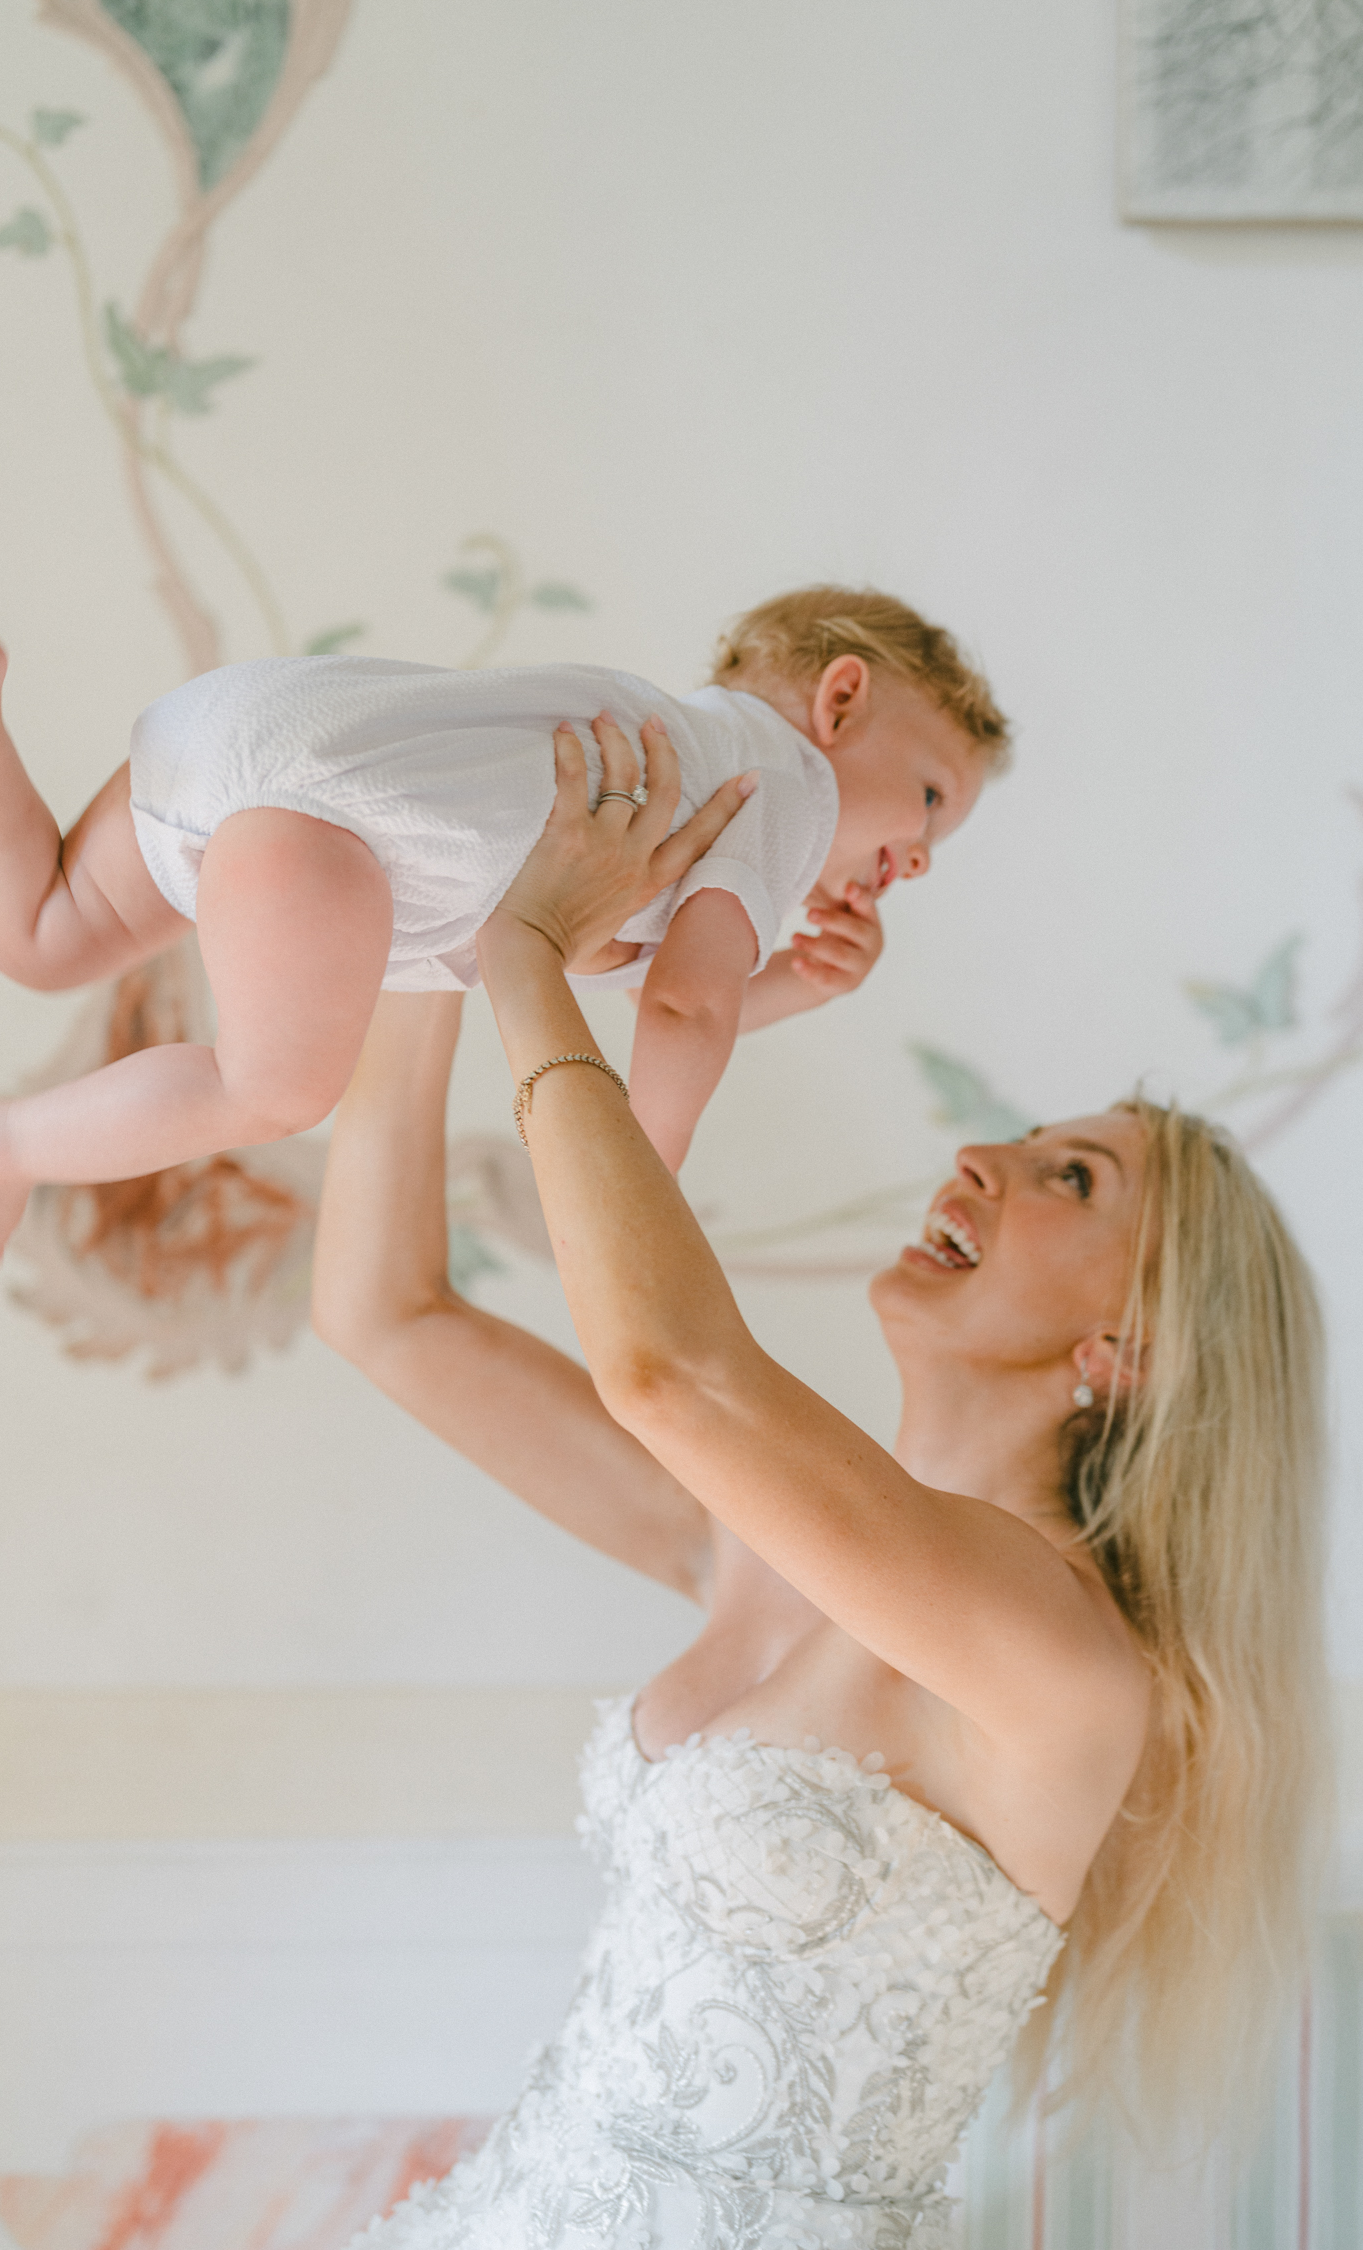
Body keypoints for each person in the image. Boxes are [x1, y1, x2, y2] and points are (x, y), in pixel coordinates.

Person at [312, 718, 1329, 2248]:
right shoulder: (761, 1556)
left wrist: (528, 949)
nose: (982, 1153)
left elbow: (668, 1369)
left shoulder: (1060, 1664)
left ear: (1128, 1345)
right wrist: (434, 917)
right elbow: (386, 1310)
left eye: (1073, 1178)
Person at [0, 587, 1005, 1277]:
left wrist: (802, 984)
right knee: (275, 1087)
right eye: (932, 805)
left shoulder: (683, 777)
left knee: (42, 933)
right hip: (325, 826)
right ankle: (5, 1142)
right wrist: (639, 1174)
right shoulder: (782, 792)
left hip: (243, 728)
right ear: (840, 704)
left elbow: (672, 985)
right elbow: (687, 1008)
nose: (915, 860)